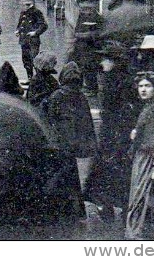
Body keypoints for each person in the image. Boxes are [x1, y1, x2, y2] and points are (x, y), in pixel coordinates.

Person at [84, 41, 141, 223]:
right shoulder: (112, 79)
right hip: (112, 132)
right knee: (113, 171)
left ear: (115, 61)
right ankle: (114, 206)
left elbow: (125, 109)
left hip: (117, 134)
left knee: (113, 170)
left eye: (106, 59)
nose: (102, 63)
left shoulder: (123, 82)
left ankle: (116, 207)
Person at [43, 62, 97, 221]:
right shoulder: (81, 97)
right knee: (73, 180)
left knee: (58, 178)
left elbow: (49, 120)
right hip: (75, 145)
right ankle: (78, 213)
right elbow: (87, 123)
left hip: (59, 145)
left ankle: (60, 213)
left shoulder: (56, 96)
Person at [125, 71, 154, 240]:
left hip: (149, 157)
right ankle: (135, 232)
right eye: (141, 86)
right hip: (142, 154)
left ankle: (135, 234)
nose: (143, 90)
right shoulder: (151, 106)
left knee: (139, 196)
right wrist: (137, 133)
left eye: (147, 86)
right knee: (139, 195)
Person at [69, 0, 105, 95]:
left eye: (84, 7)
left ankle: (92, 89)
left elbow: (98, 33)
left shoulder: (96, 17)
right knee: (81, 67)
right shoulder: (83, 15)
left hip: (90, 48)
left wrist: (83, 35)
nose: (82, 9)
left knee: (89, 67)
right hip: (80, 47)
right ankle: (86, 86)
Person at [16, 0, 48, 79]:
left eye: (27, 1)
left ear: (31, 1)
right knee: (26, 61)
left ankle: (40, 80)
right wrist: (18, 31)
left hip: (33, 41)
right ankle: (29, 79)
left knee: (35, 61)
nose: (25, 3)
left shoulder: (36, 12)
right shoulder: (23, 12)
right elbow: (20, 25)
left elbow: (44, 26)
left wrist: (35, 33)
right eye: (24, 1)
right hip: (24, 41)